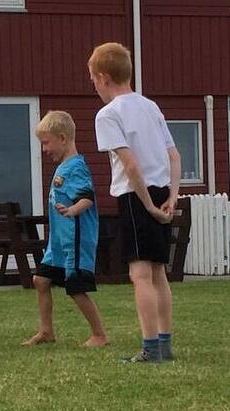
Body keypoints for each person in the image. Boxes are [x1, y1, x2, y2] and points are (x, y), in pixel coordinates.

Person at [89, 42, 182, 363]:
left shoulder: (108, 114)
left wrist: (149, 206)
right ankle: (165, 345)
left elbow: (130, 166)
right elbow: (174, 155)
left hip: (135, 196)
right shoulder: (151, 106)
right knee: (159, 273)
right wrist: (171, 197)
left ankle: (150, 347)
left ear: (102, 78)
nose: (95, 87)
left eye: (93, 81)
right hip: (161, 191)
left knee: (140, 274)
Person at [22, 110, 109, 349]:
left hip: (75, 239)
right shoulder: (63, 167)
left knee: (75, 287)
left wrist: (73, 211)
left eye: (46, 142)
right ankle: (46, 331)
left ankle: (100, 335)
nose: (44, 149)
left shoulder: (76, 168)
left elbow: (87, 198)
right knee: (41, 280)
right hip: (58, 241)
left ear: (62, 138)